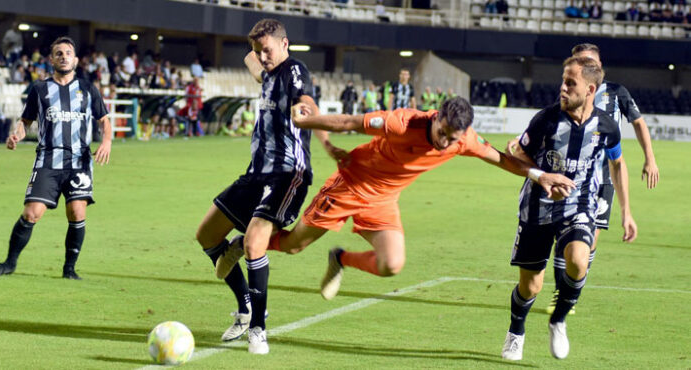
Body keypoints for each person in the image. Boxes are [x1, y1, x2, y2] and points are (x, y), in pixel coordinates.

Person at [216, 97, 575, 313]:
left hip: (383, 200)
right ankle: (246, 243)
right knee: (294, 245)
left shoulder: (462, 139)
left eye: (452, 139)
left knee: (392, 264)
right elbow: (348, 122)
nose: (445, 143)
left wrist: (539, 176)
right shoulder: (401, 123)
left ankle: (340, 259)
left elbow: (500, 159)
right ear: (435, 118)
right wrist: (306, 121)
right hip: (350, 184)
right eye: (442, 133)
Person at [195, 18, 345, 355]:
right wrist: (258, 55)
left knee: (254, 241)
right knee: (206, 235)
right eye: (258, 50)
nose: (261, 56)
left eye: (268, 50)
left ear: (285, 44)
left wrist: (326, 142)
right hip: (256, 172)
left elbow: (307, 104)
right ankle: (246, 308)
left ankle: (259, 329)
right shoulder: (266, 71)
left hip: (288, 174)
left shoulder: (294, 72)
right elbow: (253, 60)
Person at [500, 56, 637, 361]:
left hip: (580, 205)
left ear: (590, 89)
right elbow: (515, 156)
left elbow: (618, 164)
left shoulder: (606, 126)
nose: (562, 88)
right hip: (537, 207)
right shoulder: (546, 120)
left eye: (570, 83)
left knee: (578, 259)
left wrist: (626, 211)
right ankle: (516, 331)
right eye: (563, 81)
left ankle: (558, 319)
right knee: (530, 286)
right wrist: (541, 174)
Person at [508, 44, 659, 315]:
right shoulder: (565, 101)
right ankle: (559, 293)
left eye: (592, 62)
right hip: (566, 175)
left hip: (601, 179)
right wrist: (520, 146)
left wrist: (650, 158)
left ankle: (569, 292)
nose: (587, 64)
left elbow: (637, 123)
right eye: (581, 60)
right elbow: (545, 128)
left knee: (587, 241)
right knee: (566, 239)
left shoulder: (616, 93)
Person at [0, 36, 112, 280]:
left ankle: (69, 269)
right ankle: (9, 263)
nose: (64, 56)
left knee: (77, 213)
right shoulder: (40, 89)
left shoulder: (87, 88)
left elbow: (104, 121)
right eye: (59, 53)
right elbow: (26, 121)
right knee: (32, 213)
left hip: (79, 163)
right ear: (51, 59)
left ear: (75, 59)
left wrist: (107, 141)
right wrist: (17, 135)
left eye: (68, 53)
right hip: (47, 160)